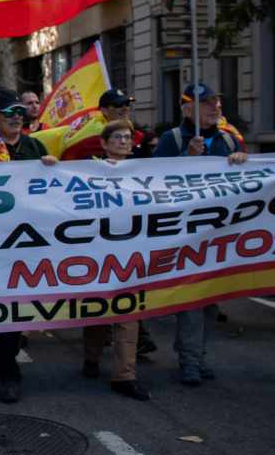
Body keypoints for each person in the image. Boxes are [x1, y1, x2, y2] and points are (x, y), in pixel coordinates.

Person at [153, 83, 248, 385]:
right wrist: (185, 157)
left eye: (217, 103)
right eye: (207, 103)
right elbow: (149, 182)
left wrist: (242, 162)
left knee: (210, 300)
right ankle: (192, 360)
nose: (215, 108)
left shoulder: (230, 142)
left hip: (219, 234)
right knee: (193, 298)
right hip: (186, 233)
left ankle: (194, 351)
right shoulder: (173, 139)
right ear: (187, 108)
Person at [0, 88, 57, 401]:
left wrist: (52, 170)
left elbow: (53, 192)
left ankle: (5, 360)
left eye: (20, 112)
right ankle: (7, 371)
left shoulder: (34, 146)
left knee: (17, 304)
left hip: (26, 241)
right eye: (9, 113)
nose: (17, 118)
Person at [78, 121, 150, 400]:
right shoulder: (87, 170)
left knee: (128, 310)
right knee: (96, 311)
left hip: (131, 251)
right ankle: (92, 357)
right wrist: (48, 163)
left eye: (127, 137)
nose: (123, 141)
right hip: (96, 251)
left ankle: (124, 375)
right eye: (117, 137)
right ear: (104, 143)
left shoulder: (145, 171)